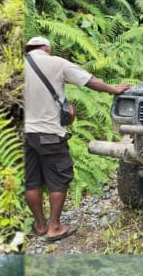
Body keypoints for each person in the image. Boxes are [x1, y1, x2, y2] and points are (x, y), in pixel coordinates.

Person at [25, 36, 131, 244]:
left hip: (23, 134)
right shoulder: (57, 63)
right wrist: (114, 89)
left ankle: (40, 225)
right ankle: (55, 227)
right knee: (59, 178)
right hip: (49, 133)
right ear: (47, 48)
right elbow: (89, 81)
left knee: (31, 181)